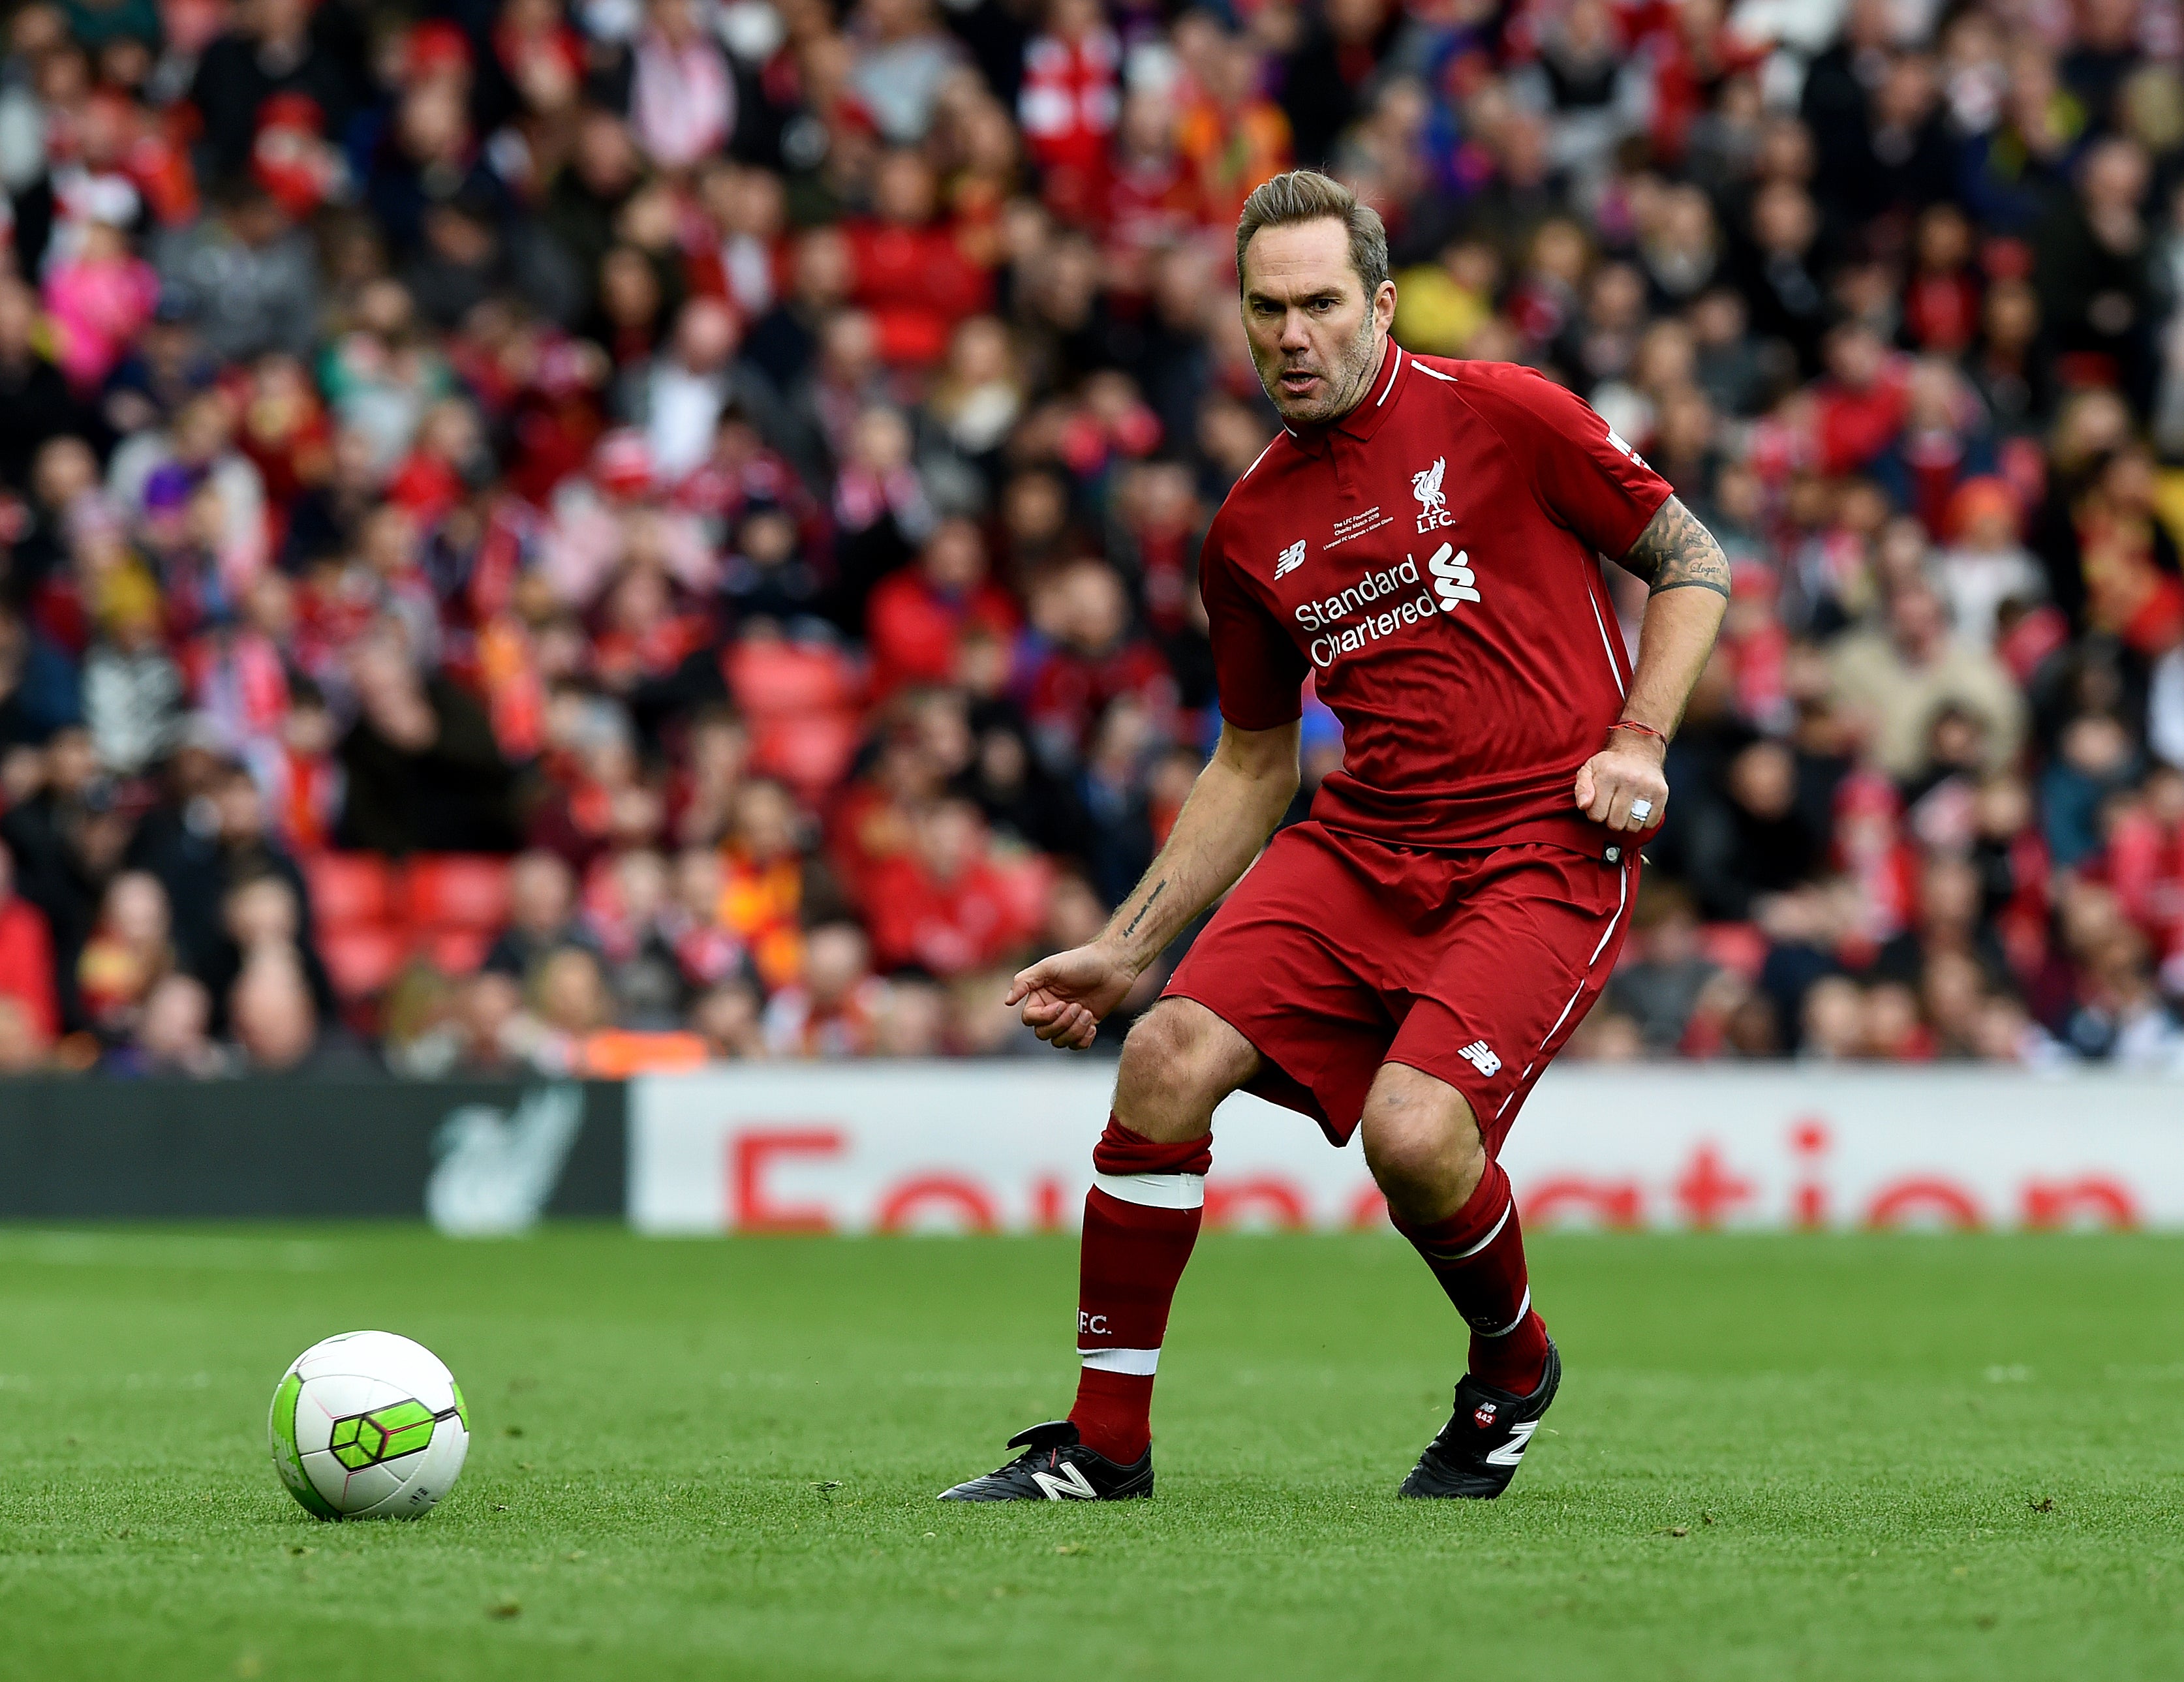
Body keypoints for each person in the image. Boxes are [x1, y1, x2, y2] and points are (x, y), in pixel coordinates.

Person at [940, 172, 1729, 1504]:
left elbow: (1692, 555)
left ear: (1379, 303)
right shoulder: (1248, 528)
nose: (1291, 335)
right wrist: (1129, 948)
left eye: (1317, 304)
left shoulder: (1506, 414)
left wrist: (1640, 739)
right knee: (1166, 1056)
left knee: (1413, 1135)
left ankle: (1512, 1364)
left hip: (1544, 843)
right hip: (1364, 839)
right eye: (1265, 309)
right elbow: (1252, 760)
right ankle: (1103, 1448)